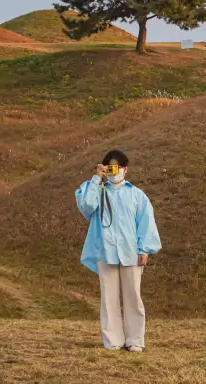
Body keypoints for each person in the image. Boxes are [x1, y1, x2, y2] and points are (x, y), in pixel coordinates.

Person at [75, 149, 161, 352]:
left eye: (119, 167)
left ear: (126, 169)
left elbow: (146, 222)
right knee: (109, 298)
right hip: (105, 252)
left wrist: (144, 250)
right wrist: (97, 179)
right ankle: (112, 340)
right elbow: (87, 206)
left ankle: (135, 340)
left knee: (133, 297)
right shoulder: (95, 190)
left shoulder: (136, 195)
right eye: (110, 167)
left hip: (131, 253)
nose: (115, 171)